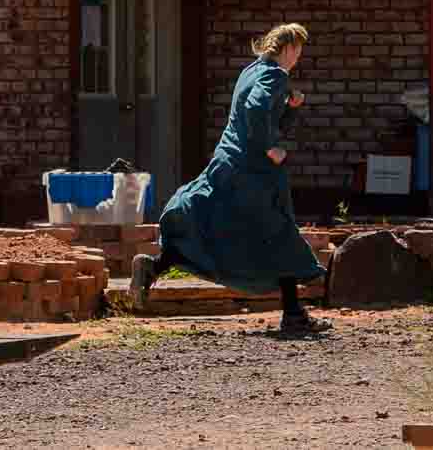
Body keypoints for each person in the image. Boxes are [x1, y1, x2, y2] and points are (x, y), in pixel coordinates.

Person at [129, 22, 327, 335]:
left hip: (226, 163)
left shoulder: (252, 70)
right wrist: (270, 148)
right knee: (278, 233)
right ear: (288, 48)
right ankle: (293, 315)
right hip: (252, 172)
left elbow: (263, 116)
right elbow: (256, 108)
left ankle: (155, 266)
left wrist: (290, 110)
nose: (297, 58)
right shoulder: (275, 75)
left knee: (212, 225)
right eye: (298, 51)